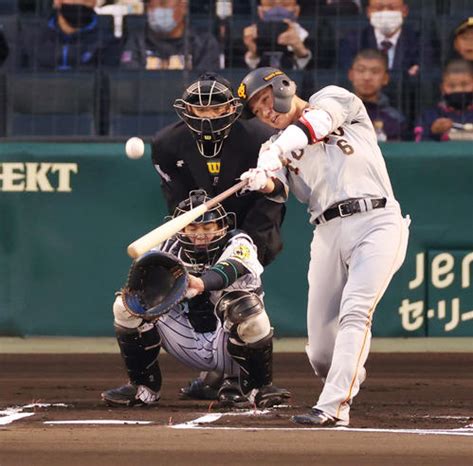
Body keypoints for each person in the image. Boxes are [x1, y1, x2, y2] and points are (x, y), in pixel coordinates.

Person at [237, 67, 410, 426]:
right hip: (327, 231)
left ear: (283, 87)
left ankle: (333, 407)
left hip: (377, 219)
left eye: (266, 100)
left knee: (355, 311)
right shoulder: (271, 148)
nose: (266, 112)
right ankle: (346, 377)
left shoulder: (332, 98)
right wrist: (262, 179)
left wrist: (279, 148)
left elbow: (317, 124)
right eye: (257, 110)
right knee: (319, 351)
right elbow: (278, 189)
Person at [152, 72, 286, 399]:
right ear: (186, 110)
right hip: (202, 223)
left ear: (232, 107)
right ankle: (216, 370)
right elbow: (179, 204)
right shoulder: (167, 144)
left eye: (215, 108)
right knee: (197, 290)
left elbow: (275, 195)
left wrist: (247, 242)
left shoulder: (261, 138)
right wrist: (202, 232)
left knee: (239, 288)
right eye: (200, 109)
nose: (208, 116)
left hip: (253, 215)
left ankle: (239, 376)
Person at [101, 190, 291, 408]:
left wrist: (200, 283)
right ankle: (143, 387)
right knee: (128, 306)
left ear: (221, 227)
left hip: (228, 343)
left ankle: (257, 387)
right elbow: (143, 285)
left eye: (207, 228)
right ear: (181, 228)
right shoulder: (167, 247)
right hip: (185, 337)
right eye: (192, 227)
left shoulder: (239, 242)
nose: (199, 234)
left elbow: (230, 269)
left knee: (244, 308)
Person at [338, 0, 434, 77]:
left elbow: (424, 71)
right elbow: (348, 73)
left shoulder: (419, 42)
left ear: (405, 11)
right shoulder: (353, 41)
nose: (385, 13)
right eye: (379, 8)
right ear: (368, 12)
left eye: (392, 8)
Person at [18, 0, 121, 70]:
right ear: (57, 1)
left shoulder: (108, 41)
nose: (79, 2)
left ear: (94, 3)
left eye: (85, 0)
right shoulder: (30, 37)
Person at [120, 0, 220, 71]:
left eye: (163, 4)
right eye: (150, 6)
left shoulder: (204, 43)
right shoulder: (137, 41)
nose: (156, 10)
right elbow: (130, 84)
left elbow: (207, 88)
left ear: (183, 7)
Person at [238, 0, 334, 70]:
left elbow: (325, 69)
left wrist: (302, 53)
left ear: (296, 10)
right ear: (260, 11)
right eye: (270, 5)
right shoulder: (246, 37)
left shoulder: (317, 36)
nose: (278, 10)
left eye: (285, 5)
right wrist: (252, 54)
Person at [348, 48, 407, 141]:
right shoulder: (336, 111)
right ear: (351, 74)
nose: (367, 77)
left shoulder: (395, 120)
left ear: (385, 78)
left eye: (375, 71)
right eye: (361, 70)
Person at [414, 59, 473, 142]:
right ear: (442, 88)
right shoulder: (428, 116)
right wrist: (433, 132)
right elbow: (418, 146)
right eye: (451, 86)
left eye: (464, 85)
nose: (458, 90)